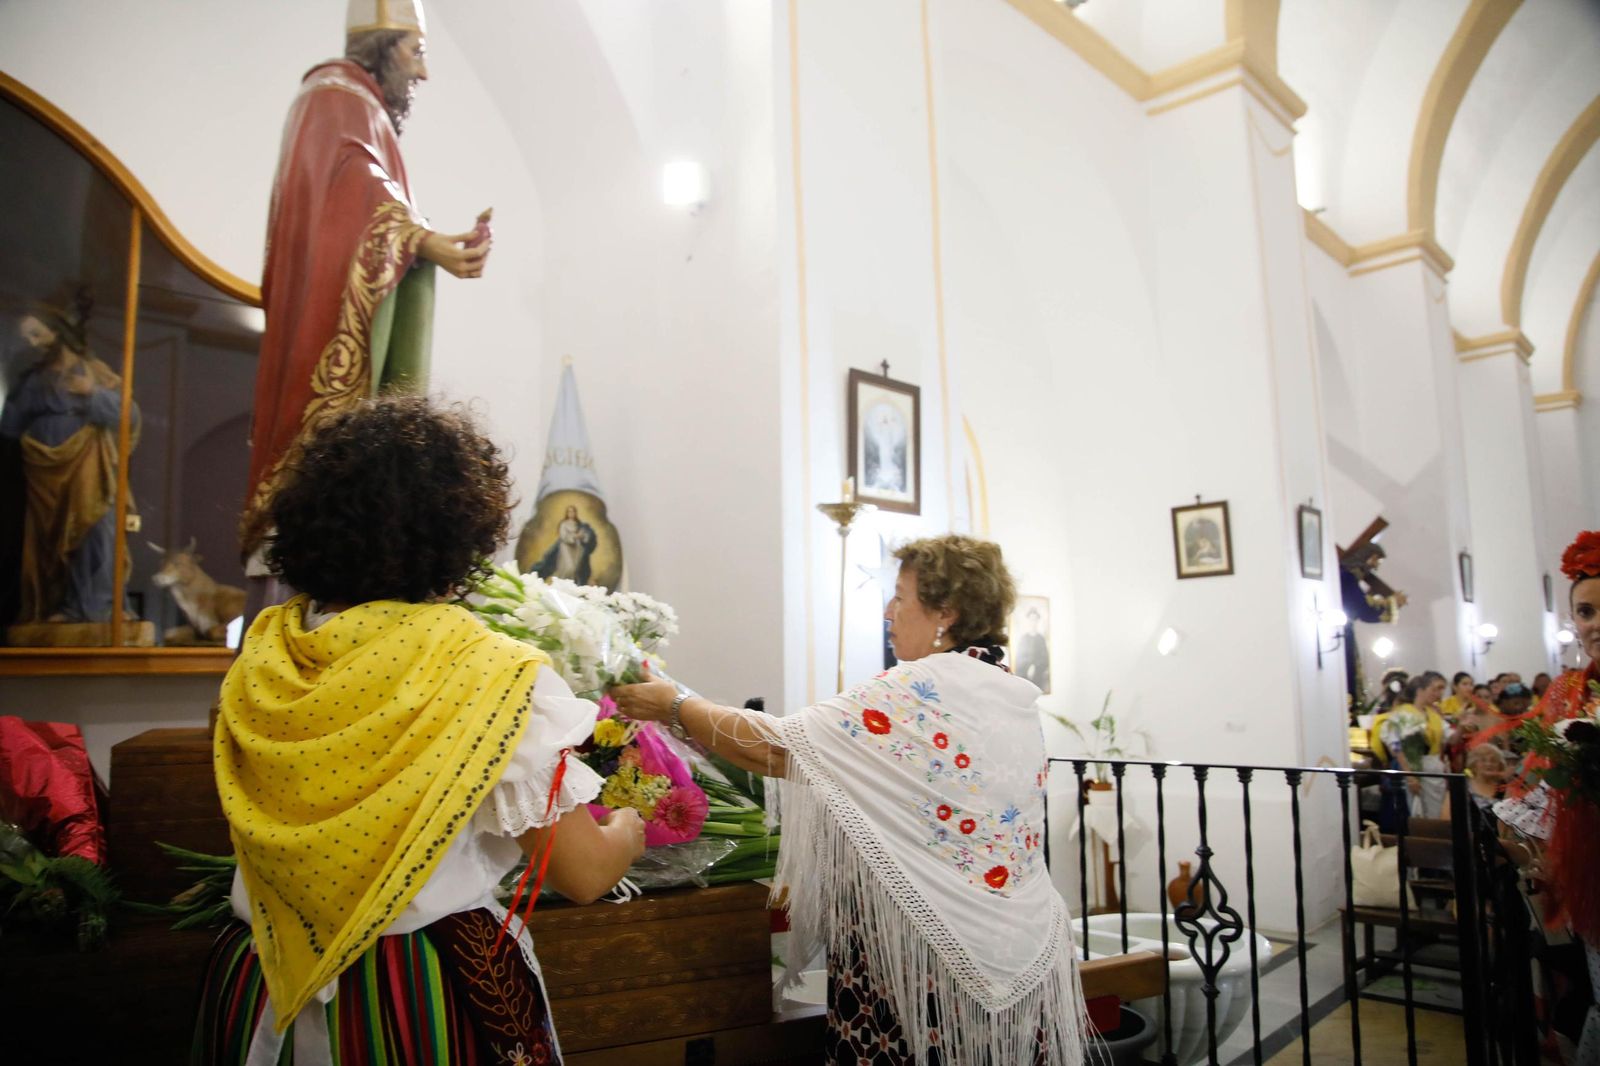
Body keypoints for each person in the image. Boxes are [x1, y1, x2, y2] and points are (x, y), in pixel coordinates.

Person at [194, 397, 645, 1062]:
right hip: (410, 990)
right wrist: (628, 830)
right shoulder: (485, 671)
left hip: (261, 977)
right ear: (458, 530)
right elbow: (581, 873)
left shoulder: (268, 655)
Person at [612, 534, 1085, 1064]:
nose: (888, 612)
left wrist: (675, 704)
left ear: (945, 613)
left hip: (926, 965)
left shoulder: (921, 686)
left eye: (900, 597)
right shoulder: (1005, 689)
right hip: (1021, 940)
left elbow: (774, 748)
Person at [240, 0, 494, 572]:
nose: (423, 72)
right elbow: (351, 188)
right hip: (317, 323)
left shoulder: (359, 107)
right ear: (382, 44)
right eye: (416, 51)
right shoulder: (333, 99)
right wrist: (421, 239)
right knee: (323, 472)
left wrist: (423, 243)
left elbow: (367, 193)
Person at [1, 289, 137, 625]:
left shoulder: (92, 371)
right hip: (42, 474)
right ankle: (57, 605)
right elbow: (10, 426)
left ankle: (94, 607)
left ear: (57, 331)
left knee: (96, 529)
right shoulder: (33, 380)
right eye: (27, 337)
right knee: (49, 543)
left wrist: (93, 394)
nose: (33, 343)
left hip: (88, 462)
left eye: (37, 333)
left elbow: (129, 415)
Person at [1377, 671, 1447, 819]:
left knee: (1436, 812)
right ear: (1420, 691)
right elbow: (1394, 744)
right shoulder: (1402, 713)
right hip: (1413, 765)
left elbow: (1447, 737)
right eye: (1433, 690)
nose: (1437, 694)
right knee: (1418, 812)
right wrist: (1410, 774)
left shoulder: (1433, 713)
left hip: (1434, 765)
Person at [536, 504, 598, 585]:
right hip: (566, 548)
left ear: (575, 513)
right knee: (569, 567)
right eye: (569, 511)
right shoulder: (564, 524)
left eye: (573, 511)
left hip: (576, 549)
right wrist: (575, 537)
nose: (571, 513)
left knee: (575, 569)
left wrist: (582, 536)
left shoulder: (578, 524)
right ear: (567, 513)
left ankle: (570, 585)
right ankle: (561, 583)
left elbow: (584, 536)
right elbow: (563, 536)